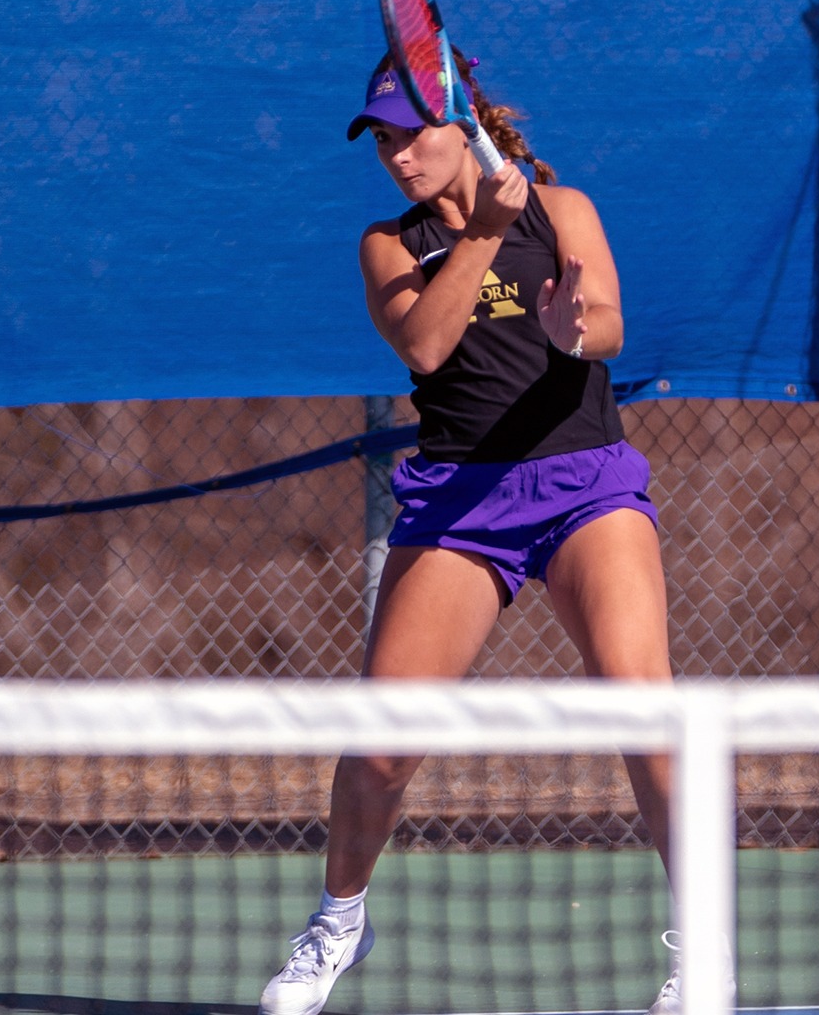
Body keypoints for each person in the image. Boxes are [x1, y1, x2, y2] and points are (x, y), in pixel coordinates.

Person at [258, 52, 684, 1015]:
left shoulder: (562, 208)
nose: (398, 157)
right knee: (383, 745)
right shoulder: (388, 244)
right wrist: (484, 232)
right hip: (461, 504)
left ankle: (705, 946)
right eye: (383, 142)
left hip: (585, 485)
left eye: (413, 135)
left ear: (465, 126)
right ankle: (339, 922)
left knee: (645, 707)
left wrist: (575, 332)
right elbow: (425, 345)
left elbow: (610, 325)